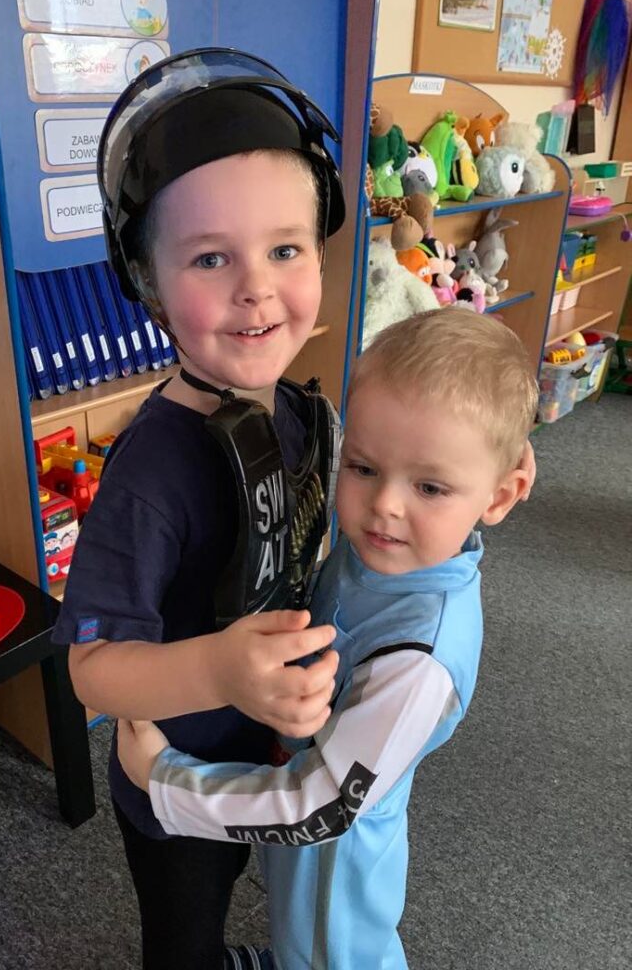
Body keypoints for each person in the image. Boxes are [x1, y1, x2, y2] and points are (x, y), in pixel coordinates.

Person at [117, 306, 539, 970]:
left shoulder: (421, 662)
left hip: (334, 855)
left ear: (502, 494)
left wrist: (165, 782)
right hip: (303, 798)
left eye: (430, 486)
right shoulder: (388, 553)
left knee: (321, 949)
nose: (385, 506)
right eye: (364, 468)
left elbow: (319, 807)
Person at [51, 47, 348, 970]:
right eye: (211, 257)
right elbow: (92, 672)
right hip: (173, 779)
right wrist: (222, 670)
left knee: (249, 884)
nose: (255, 286)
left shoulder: (291, 407)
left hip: (262, 753)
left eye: (285, 249)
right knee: (185, 934)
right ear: (147, 282)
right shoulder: (152, 470)